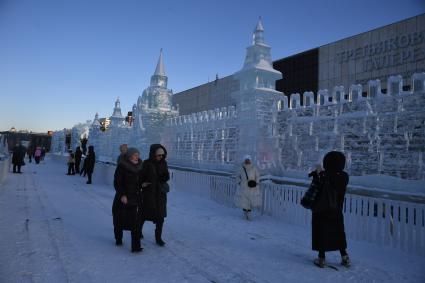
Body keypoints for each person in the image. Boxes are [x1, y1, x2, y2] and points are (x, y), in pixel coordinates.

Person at [308, 151, 350, 268]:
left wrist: (317, 173)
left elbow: (315, 189)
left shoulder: (323, 176)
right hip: (337, 209)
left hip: (322, 209)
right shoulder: (344, 176)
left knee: (321, 232)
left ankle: (321, 258)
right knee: (338, 233)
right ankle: (345, 257)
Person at [112, 148, 143, 252]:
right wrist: (122, 195)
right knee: (119, 220)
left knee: (135, 222)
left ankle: (136, 246)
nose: (137, 156)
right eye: (135, 154)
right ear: (130, 156)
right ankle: (118, 239)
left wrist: (143, 184)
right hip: (122, 199)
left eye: (138, 154)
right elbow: (117, 182)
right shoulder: (122, 166)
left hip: (134, 198)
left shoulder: (140, 166)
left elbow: (140, 180)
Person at [140, 144, 170, 246]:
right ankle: (138, 231)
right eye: (158, 155)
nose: (160, 157)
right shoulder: (146, 163)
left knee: (160, 218)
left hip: (160, 194)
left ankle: (158, 238)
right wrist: (142, 184)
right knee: (144, 215)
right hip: (149, 194)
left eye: (162, 155)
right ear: (153, 154)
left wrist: (164, 177)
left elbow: (166, 175)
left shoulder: (164, 163)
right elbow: (140, 177)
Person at [234, 155, 261, 220]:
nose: (247, 161)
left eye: (248, 160)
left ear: (250, 160)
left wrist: (256, 182)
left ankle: (249, 214)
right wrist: (239, 182)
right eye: (246, 160)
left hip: (251, 187)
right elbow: (237, 176)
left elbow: (257, 176)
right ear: (244, 160)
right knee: (244, 200)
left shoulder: (254, 168)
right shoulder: (241, 168)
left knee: (250, 200)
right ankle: (245, 214)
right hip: (243, 187)